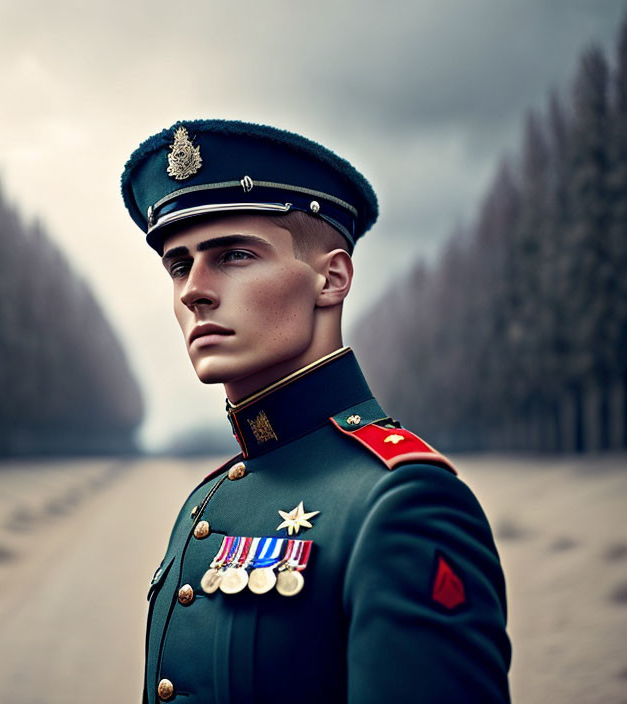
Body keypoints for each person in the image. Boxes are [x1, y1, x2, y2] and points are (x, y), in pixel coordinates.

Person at [120, 119, 511, 703]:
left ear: (331, 278)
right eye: (179, 265)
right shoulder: (204, 502)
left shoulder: (403, 504)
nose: (193, 290)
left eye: (232, 255)